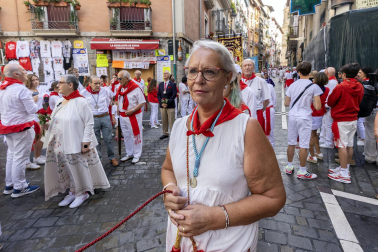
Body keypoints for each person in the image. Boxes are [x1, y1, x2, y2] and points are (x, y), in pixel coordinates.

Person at [161, 40, 285, 252]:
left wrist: (214, 218)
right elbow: (168, 169)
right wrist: (169, 188)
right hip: (180, 241)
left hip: (229, 245)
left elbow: (273, 198)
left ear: (228, 78)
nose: (198, 80)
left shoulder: (246, 128)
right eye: (192, 71)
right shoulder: (180, 126)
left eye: (209, 72)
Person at [43, 74, 110, 208]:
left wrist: (86, 143)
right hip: (61, 143)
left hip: (76, 142)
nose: (58, 85)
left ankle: (82, 192)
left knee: (78, 168)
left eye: (61, 82)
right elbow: (55, 119)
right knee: (67, 168)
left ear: (70, 85)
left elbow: (89, 123)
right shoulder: (60, 101)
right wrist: (46, 125)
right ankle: (72, 191)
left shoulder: (81, 102)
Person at [0, 64, 41, 197]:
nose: (26, 73)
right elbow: (32, 109)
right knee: (20, 157)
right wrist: (35, 100)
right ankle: (19, 186)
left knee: (12, 155)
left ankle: (10, 184)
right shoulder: (21, 89)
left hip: (8, 126)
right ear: (16, 74)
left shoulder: (3, 88)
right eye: (23, 71)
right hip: (21, 127)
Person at [285, 61, 322, 179]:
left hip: (292, 116)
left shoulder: (292, 85)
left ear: (298, 72)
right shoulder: (314, 86)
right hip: (305, 117)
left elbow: (286, 103)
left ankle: (289, 166)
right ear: (310, 72)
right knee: (303, 145)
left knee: (291, 143)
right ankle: (302, 171)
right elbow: (318, 107)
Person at [327, 63, 364, 184]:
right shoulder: (360, 86)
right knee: (349, 145)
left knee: (342, 145)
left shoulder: (341, 86)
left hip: (341, 119)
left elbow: (331, 101)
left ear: (344, 74)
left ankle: (343, 173)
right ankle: (345, 168)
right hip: (353, 118)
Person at [80, 76, 119, 166]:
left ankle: (112, 157)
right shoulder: (84, 93)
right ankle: (98, 159)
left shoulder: (105, 90)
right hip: (93, 118)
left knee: (108, 139)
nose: (98, 85)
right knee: (95, 140)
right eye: (96, 83)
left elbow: (110, 100)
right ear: (89, 83)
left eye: (99, 83)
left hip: (105, 116)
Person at [116, 70, 146, 164]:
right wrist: (118, 107)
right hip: (123, 115)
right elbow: (118, 99)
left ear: (127, 78)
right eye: (118, 78)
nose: (118, 80)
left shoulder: (136, 88)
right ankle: (129, 153)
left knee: (135, 135)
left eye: (120, 78)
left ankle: (137, 154)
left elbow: (142, 102)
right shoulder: (120, 88)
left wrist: (132, 110)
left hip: (133, 115)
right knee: (126, 135)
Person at [241, 59, 271, 130]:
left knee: (256, 138)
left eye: (249, 65)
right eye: (245, 66)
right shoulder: (237, 81)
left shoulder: (261, 81)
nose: (247, 67)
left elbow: (266, 100)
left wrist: (259, 110)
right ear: (242, 68)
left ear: (254, 67)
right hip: (240, 114)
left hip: (257, 113)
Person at [308, 73, 330, 163]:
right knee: (314, 134)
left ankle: (312, 155)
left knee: (309, 135)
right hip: (320, 113)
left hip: (311, 113)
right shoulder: (327, 89)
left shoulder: (312, 88)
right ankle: (318, 152)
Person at [25, 74, 46, 167]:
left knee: (40, 136)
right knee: (42, 135)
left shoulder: (39, 89)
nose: (36, 81)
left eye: (37, 79)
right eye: (34, 80)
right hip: (32, 116)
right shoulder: (26, 91)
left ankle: (37, 156)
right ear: (30, 81)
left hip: (40, 115)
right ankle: (36, 156)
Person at [320, 67, 338, 149]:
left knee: (328, 124)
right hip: (330, 105)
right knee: (325, 124)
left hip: (329, 106)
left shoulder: (330, 82)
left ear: (327, 73)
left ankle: (328, 142)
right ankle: (324, 139)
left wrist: (326, 105)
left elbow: (329, 95)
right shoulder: (334, 81)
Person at [356, 67, 373, 147]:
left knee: (370, 132)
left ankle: (370, 154)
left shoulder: (365, 84)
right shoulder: (369, 83)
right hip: (370, 109)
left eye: (360, 72)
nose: (358, 74)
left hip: (368, 110)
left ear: (365, 73)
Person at [157, 70, 177, 140]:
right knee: (164, 120)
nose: (165, 75)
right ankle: (165, 133)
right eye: (164, 73)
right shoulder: (160, 84)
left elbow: (174, 94)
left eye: (166, 73)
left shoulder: (172, 84)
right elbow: (158, 95)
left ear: (169, 75)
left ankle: (173, 133)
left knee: (171, 120)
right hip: (162, 106)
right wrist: (161, 103)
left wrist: (167, 103)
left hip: (170, 105)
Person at [365, 68, 378, 164]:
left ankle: (371, 156)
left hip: (372, 110)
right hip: (373, 110)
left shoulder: (371, 84)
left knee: (370, 133)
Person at [264, 73, 277, 148]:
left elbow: (274, 99)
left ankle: (271, 147)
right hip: (259, 111)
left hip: (269, 110)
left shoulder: (270, 86)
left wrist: (270, 107)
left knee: (270, 130)